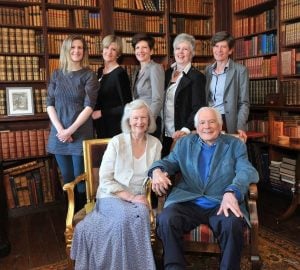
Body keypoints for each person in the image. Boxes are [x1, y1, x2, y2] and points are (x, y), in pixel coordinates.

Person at [148, 107, 259, 270]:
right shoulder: (184, 143)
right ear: (196, 127)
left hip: (220, 202)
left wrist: (232, 191)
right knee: (166, 219)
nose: (207, 126)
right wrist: (156, 171)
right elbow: (168, 162)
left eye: (212, 122)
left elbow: (246, 170)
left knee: (233, 225)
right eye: (202, 122)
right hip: (188, 200)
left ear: (220, 126)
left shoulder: (235, 144)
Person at [70, 99, 162, 270]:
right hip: (111, 195)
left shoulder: (156, 144)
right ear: (128, 120)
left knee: (141, 213)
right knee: (123, 220)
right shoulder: (117, 142)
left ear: (149, 120)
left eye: (143, 118)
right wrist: (131, 197)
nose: (139, 122)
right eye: (135, 118)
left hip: (138, 196)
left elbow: (155, 171)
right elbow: (105, 178)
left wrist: (158, 177)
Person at [46, 35, 99, 211]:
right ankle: (71, 216)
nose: (76, 51)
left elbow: (89, 107)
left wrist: (70, 130)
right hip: (58, 134)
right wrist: (61, 130)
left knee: (81, 177)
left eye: (80, 48)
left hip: (80, 133)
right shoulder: (56, 74)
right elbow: (49, 104)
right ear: (66, 50)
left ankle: (85, 217)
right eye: (73, 47)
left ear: (84, 51)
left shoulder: (89, 75)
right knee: (67, 176)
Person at [162, 33, 206, 157]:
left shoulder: (197, 77)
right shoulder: (166, 74)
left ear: (191, 53)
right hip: (164, 133)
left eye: (185, 49)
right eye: (177, 48)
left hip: (182, 132)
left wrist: (185, 129)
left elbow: (198, 108)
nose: (180, 52)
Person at [205, 31, 250, 141]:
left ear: (230, 50)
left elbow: (244, 103)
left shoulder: (240, 71)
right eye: (216, 46)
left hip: (227, 120)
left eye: (223, 47)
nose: (219, 50)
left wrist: (240, 126)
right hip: (209, 120)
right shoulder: (208, 70)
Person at [92, 35, 132, 138]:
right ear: (102, 49)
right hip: (100, 125)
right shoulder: (100, 71)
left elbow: (127, 106)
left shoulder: (120, 74)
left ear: (118, 54)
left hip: (115, 127)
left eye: (113, 49)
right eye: (106, 48)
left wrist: (102, 112)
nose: (109, 52)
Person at [132, 33, 165, 138]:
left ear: (151, 51)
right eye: (137, 48)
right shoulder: (137, 71)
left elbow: (158, 99)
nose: (140, 51)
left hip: (150, 122)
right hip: (139, 121)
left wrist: (148, 122)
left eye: (144, 47)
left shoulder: (155, 68)